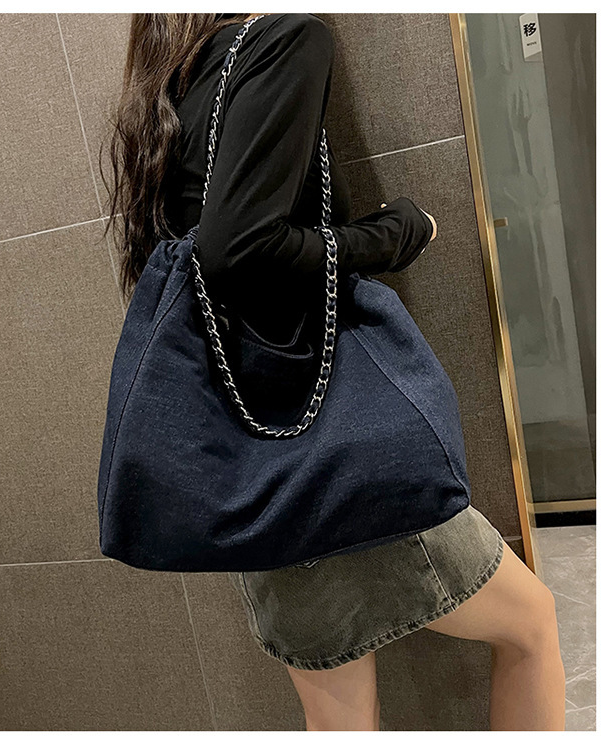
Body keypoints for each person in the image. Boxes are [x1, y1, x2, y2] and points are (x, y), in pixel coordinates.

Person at [101, 12, 566, 731]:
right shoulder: (287, 37)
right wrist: (394, 233)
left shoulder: (173, 78)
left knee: (340, 724)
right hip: (333, 464)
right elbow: (239, 248)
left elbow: (213, 250)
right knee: (531, 626)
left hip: (254, 474)